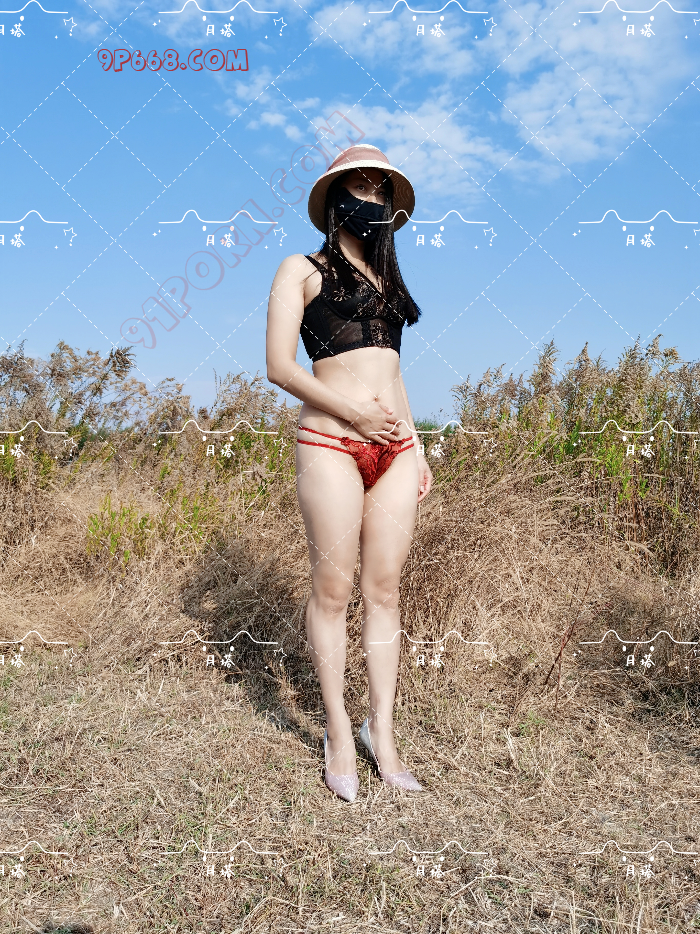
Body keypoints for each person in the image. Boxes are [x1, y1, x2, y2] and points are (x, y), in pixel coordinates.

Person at [266, 144, 432, 802]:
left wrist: (417, 446)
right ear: (336, 198)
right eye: (360, 186)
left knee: (384, 590)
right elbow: (280, 366)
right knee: (333, 589)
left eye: (381, 189)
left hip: (396, 450)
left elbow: (392, 371)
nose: (372, 197)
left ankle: (380, 733)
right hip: (330, 441)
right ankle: (338, 729)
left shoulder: (388, 281)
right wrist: (354, 415)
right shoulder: (300, 269)